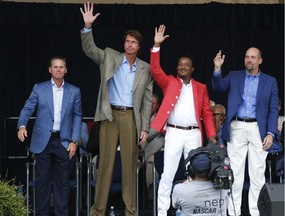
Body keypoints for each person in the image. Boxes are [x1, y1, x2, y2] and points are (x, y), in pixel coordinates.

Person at [80, 3, 153, 216]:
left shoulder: (145, 68)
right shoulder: (111, 56)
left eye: (133, 42)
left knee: (130, 167)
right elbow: (90, 50)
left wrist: (145, 128)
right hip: (110, 115)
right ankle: (97, 211)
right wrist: (87, 27)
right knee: (106, 166)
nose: (129, 45)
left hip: (131, 117)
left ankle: (131, 211)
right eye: (127, 41)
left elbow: (148, 102)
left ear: (139, 46)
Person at [150, 24, 217, 216]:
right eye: (180, 64)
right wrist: (156, 46)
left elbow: (206, 113)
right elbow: (155, 70)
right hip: (174, 132)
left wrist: (211, 135)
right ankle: (162, 212)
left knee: (195, 176)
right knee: (167, 174)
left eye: (187, 64)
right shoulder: (169, 82)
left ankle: (191, 211)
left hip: (194, 134)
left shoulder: (201, 87)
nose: (183, 67)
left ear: (192, 68)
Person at [212, 48, 279, 216]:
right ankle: (233, 213)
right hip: (237, 127)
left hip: (259, 129)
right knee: (234, 174)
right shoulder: (235, 76)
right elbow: (218, 87)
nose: (249, 60)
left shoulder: (270, 81)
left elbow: (273, 109)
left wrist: (270, 133)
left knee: (257, 175)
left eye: (253, 57)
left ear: (260, 61)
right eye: (247, 57)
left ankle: (256, 213)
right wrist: (217, 69)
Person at [17, 56, 83, 216]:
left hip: (64, 141)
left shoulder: (74, 91)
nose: (58, 69)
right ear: (50, 70)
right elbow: (27, 109)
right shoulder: (39, 88)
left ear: (66, 70)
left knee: (63, 184)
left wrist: (74, 140)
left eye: (61, 67)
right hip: (43, 142)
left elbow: (77, 116)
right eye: (55, 67)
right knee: (42, 184)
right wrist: (22, 125)